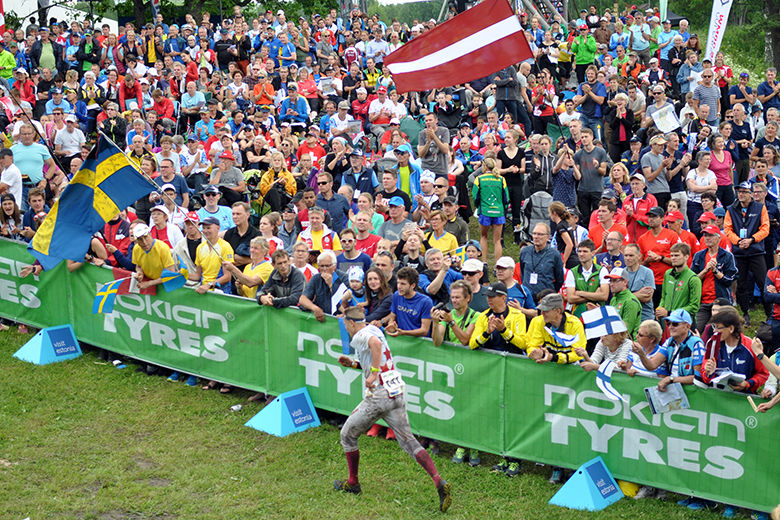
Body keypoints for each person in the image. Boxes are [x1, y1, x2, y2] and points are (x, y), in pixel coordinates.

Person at [334, 306, 452, 513]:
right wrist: (353, 365)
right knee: (409, 441)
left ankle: (353, 483)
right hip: (395, 392)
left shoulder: (363, 335)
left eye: (346, 325)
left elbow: (375, 345)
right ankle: (438, 481)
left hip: (378, 396)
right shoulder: (374, 328)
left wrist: (373, 374)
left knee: (347, 436)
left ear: (351, 323)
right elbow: (375, 353)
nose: (346, 328)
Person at [468, 281, 526, 477]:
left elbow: (523, 343)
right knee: (494, 413)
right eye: (487, 297)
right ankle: (502, 456)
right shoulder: (484, 316)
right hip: (491, 371)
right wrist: (487, 333)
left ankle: (515, 459)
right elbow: (473, 344)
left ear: (504, 297)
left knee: (513, 415)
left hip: (514, 372)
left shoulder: (518, 316)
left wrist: (504, 331)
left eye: (492, 297)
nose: (489, 300)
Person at [724, 181, 770, 324]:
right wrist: (738, 241)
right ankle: (745, 313)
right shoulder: (731, 209)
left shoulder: (760, 207)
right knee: (741, 284)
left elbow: (765, 228)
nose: (741, 194)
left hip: (756, 251)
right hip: (740, 252)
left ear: (750, 193)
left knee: (763, 283)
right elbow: (727, 229)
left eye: (744, 191)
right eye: (739, 192)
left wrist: (752, 240)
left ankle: (770, 314)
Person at [700, 310, 769, 395]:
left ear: (731, 329)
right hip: (718, 398)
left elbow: (763, 374)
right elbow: (705, 375)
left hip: (744, 398)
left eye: (718, 327)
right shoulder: (712, 344)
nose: (714, 331)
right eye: (714, 326)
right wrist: (708, 373)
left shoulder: (751, 346)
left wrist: (747, 384)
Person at [691, 225, 738, 332]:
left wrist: (715, 271)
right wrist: (706, 270)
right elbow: (693, 280)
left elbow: (729, 281)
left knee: (723, 331)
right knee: (696, 330)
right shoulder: (699, 256)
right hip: (702, 302)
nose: (707, 238)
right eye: (705, 235)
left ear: (719, 238)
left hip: (721, 301)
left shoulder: (727, 256)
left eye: (711, 235)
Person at [637, 206, 679, 307]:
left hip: (669, 280)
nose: (651, 219)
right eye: (649, 216)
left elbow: (678, 261)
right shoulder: (642, 238)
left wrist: (661, 258)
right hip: (650, 282)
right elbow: (638, 265)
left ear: (662, 218)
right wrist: (647, 261)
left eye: (654, 216)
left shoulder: (672, 235)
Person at [471, 157, 508, 262]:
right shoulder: (501, 179)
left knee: (484, 236)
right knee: (497, 240)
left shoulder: (479, 179)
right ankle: (498, 265)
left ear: (484, 166)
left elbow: (475, 196)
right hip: (498, 212)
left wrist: (478, 207)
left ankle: (484, 262)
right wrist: (503, 209)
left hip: (485, 211)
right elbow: (506, 197)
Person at [189, 217, 234, 295]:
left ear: (218, 228)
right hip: (204, 290)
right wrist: (184, 275)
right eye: (204, 228)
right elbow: (198, 275)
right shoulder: (200, 247)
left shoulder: (225, 246)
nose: (205, 231)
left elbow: (227, 276)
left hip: (220, 291)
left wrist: (209, 285)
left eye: (208, 228)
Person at [518, 223, 564, 299]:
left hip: (545, 298)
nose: (536, 237)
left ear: (548, 237)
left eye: (540, 234)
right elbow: (523, 273)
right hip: (527, 297)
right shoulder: (525, 251)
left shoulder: (555, 255)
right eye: (534, 233)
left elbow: (560, 280)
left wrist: (550, 293)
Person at [656, 243, 701, 321]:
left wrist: (670, 313)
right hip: (667, 320)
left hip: (683, 322)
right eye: (672, 255)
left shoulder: (693, 278)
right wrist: (660, 310)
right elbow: (664, 296)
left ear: (686, 257)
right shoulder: (668, 274)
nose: (673, 258)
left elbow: (694, 306)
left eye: (676, 255)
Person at [564, 239, 609, 318]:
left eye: (585, 251)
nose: (581, 254)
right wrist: (595, 295)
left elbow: (604, 296)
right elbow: (570, 298)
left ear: (593, 253)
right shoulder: (572, 272)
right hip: (578, 315)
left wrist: (580, 293)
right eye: (579, 251)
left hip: (597, 314)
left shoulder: (602, 270)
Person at [299, 250, 348, 321]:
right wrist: (315, 308)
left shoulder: (344, 277)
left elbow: (346, 301)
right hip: (322, 318)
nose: (324, 269)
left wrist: (331, 284)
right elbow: (303, 299)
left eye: (327, 266)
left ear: (334, 266)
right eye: (321, 266)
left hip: (339, 318)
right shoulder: (316, 278)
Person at [386, 267, 433, 338]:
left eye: (403, 284)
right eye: (398, 283)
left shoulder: (425, 302)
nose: (399, 286)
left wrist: (403, 332)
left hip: (419, 342)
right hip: (402, 340)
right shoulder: (397, 295)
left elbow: (424, 330)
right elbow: (392, 316)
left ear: (413, 285)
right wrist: (391, 324)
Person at [605, 268, 642, 338]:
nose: (611, 284)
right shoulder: (614, 299)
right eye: (610, 281)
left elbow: (626, 331)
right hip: (614, 341)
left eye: (615, 281)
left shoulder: (630, 301)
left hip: (629, 344)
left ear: (625, 282)